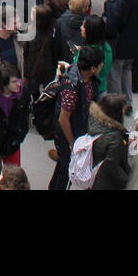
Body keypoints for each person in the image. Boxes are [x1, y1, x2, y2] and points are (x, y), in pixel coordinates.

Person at [48, 45, 104, 190]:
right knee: (66, 170)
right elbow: (63, 119)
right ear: (92, 68)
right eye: (100, 64)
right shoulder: (72, 87)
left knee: (64, 165)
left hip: (79, 128)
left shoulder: (86, 79)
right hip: (69, 134)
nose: (102, 66)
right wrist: (73, 143)